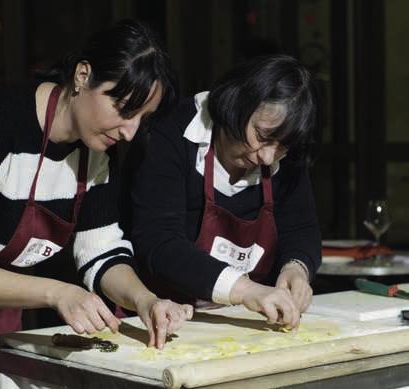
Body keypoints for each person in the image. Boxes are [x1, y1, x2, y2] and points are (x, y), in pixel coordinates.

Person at [0, 19, 193, 389]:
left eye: (142, 119)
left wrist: (145, 300)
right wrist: (58, 292)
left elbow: (101, 252)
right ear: (83, 75)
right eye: (125, 109)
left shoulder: (94, 151)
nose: (129, 132)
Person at [131, 55, 322, 329]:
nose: (268, 157)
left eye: (282, 146)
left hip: (239, 324)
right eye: (262, 135)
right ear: (237, 104)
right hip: (162, 319)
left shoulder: (283, 154)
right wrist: (247, 290)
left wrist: (296, 267)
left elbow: (301, 228)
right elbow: (158, 240)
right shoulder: (171, 133)